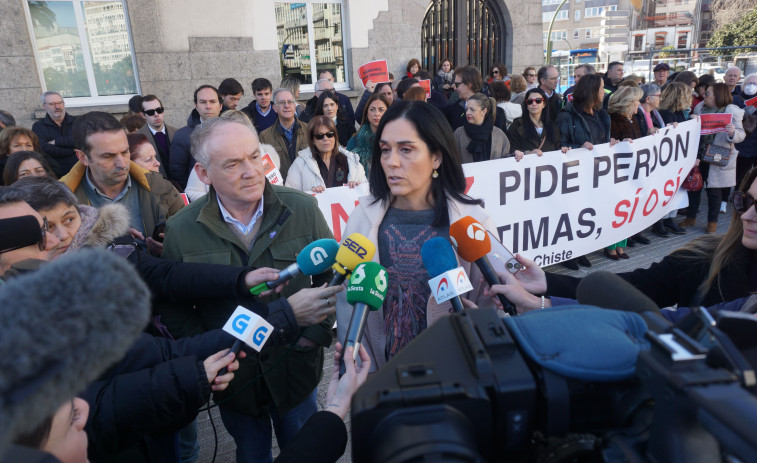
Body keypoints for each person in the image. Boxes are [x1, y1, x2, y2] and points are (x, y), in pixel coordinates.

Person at [160, 116, 338, 463]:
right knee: (251, 454)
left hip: (296, 372)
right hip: (236, 382)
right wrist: (212, 354)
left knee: (305, 452)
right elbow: (174, 307)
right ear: (204, 173)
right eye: (233, 163)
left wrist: (313, 335)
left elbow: (332, 278)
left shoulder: (302, 208)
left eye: (254, 157)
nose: (251, 171)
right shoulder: (181, 230)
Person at [335, 100, 498, 371]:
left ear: (436, 156)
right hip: (382, 381)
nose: (391, 161)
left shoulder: (473, 221)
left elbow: (493, 304)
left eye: (406, 149)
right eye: (385, 150)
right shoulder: (362, 219)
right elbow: (348, 307)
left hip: (458, 377)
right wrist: (352, 375)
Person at [510, 166, 757, 313]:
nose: (746, 215)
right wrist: (547, 284)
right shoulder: (703, 256)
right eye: (745, 201)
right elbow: (633, 292)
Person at [61, 111, 184, 256]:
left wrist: (171, 248)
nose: (122, 163)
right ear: (83, 157)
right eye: (108, 156)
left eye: (125, 152)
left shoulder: (160, 187)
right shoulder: (60, 201)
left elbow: (188, 238)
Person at [556, 73, 615, 269]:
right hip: (575, 174)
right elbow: (560, 146)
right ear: (591, 91)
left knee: (589, 212)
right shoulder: (566, 116)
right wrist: (579, 146)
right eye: (601, 88)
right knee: (573, 212)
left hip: (597, 174)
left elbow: (604, 140)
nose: (604, 92)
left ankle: (581, 250)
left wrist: (612, 144)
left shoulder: (602, 115)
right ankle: (569, 254)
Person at [685, 82, 745, 234]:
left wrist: (732, 133)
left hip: (719, 154)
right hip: (699, 153)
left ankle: (712, 224)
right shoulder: (699, 108)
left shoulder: (731, 111)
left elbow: (741, 134)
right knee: (694, 186)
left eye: (708, 93)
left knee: (714, 191)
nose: (704, 96)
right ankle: (691, 217)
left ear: (718, 95)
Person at [605, 86, 645, 260]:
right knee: (616, 208)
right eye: (636, 100)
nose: (639, 104)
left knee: (627, 208)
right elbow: (610, 143)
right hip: (618, 171)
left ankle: (622, 244)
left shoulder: (633, 119)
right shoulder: (613, 120)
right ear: (628, 103)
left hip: (632, 170)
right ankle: (610, 245)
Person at [285, 115, 366, 193]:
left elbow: (365, 193)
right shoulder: (300, 164)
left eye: (330, 134)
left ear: (335, 137)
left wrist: (358, 188)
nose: (326, 139)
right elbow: (291, 197)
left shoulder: (351, 161)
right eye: (320, 136)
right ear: (312, 140)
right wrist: (310, 195)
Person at [169, 85, 222, 188]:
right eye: (203, 102)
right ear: (196, 106)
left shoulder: (233, 131)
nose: (208, 106)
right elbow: (177, 173)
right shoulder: (182, 135)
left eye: (212, 101)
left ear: (220, 105)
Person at [259, 88, 309, 180]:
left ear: (294, 105)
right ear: (275, 108)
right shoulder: (264, 137)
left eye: (290, 102)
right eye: (282, 102)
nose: (286, 105)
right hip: (282, 190)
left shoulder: (310, 130)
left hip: (308, 188)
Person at [454, 93, 510, 163]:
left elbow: (507, 159)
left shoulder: (498, 134)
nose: (468, 112)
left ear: (484, 111)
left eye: (472, 109)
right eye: (467, 109)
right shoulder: (459, 133)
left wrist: (516, 154)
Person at [507, 88, 562, 159]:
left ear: (544, 104)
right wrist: (526, 152)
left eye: (538, 101)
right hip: (524, 167)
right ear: (526, 105)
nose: (534, 104)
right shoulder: (516, 125)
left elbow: (558, 147)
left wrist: (563, 150)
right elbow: (510, 148)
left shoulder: (553, 127)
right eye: (530, 101)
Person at [32, 92, 77, 177]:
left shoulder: (77, 122)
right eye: (52, 104)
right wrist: (73, 150)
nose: (57, 107)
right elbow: (43, 148)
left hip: (81, 171)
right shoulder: (38, 127)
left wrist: (57, 141)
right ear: (44, 107)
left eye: (60, 103)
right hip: (55, 175)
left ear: (63, 104)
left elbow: (82, 140)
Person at [346, 94, 390, 174]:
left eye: (381, 110)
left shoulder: (395, 139)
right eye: (372, 109)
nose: (376, 114)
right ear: (366, 113)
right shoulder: (354, 141)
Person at [137, 94, 177, 179]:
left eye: (159, 110)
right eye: (150, 112)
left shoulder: (177, 133)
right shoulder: (137, 138)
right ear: (143, 115)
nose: (156, 114)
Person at [734, 73, 757, 188]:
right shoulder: (735, 99)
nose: (751, 86)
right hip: (741, 144)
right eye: (749, 83)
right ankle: (737, 194)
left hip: (754, 144)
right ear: (743, 85)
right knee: (740, 174)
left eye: (755, 84)